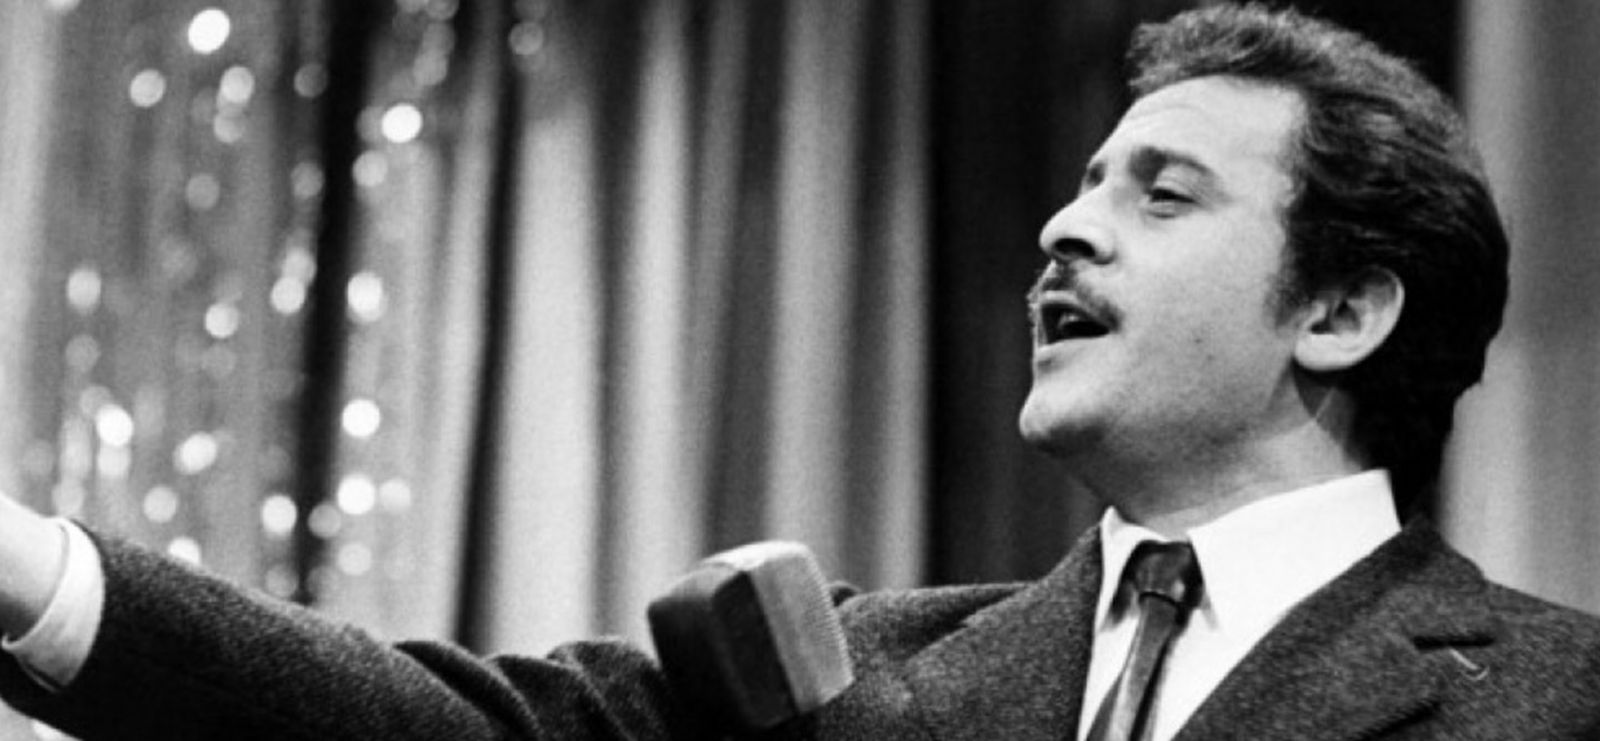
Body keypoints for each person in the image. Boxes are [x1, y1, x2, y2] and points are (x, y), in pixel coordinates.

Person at [3, 4, 1599, 739]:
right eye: (1083, 182)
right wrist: (28, 570)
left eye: (1162, 195)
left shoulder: (1560, 693)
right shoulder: (846, 670)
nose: (1065, 226)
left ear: (1341, 310)